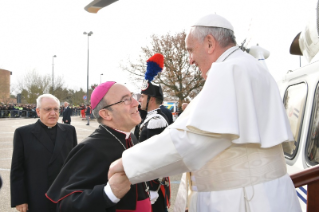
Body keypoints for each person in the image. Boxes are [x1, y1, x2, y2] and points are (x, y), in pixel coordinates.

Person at [108, 14, 302, 212]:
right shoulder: (250, 67)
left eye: (191, 50)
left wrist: (128, 162)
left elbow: (191, 141)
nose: (190, 60)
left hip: (242, 201)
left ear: (210, 43)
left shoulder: (231, 70)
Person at [46, 81, 152, 212]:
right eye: (126, 100)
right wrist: (108, 194)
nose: (136, 103)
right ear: (106, 114)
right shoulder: (90, 148)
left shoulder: (131, 138)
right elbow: (66, 204)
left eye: (132, 97)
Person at [10, 94, 77, 212]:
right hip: (36, 196)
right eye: (48, 109)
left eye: (56, 109)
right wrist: (19, 199)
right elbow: (17, 169)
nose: (53, 113)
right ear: (38, 111)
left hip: (64, 195)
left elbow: (75, 165)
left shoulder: (69, 131)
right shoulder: (23, 133)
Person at [138, 53, 171, 212]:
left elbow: (157, 158)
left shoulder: (156, 121)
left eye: (142, 96)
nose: (140, 100)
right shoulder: (150, 118)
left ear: (151, 99)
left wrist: (154, 187)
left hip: (153, 187)